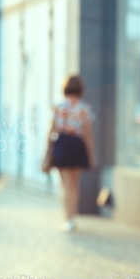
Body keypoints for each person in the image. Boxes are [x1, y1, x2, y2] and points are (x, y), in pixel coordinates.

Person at [47, 75, 96, 233]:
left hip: (63, 143)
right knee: (75, 184)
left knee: (65, 184)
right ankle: (72, 218)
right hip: (78, 144)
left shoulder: (59, 106)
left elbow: (51, 130)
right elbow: (88, 134)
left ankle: (67, 219)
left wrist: (47, 151)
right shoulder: (84, 107)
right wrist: (91, 154)